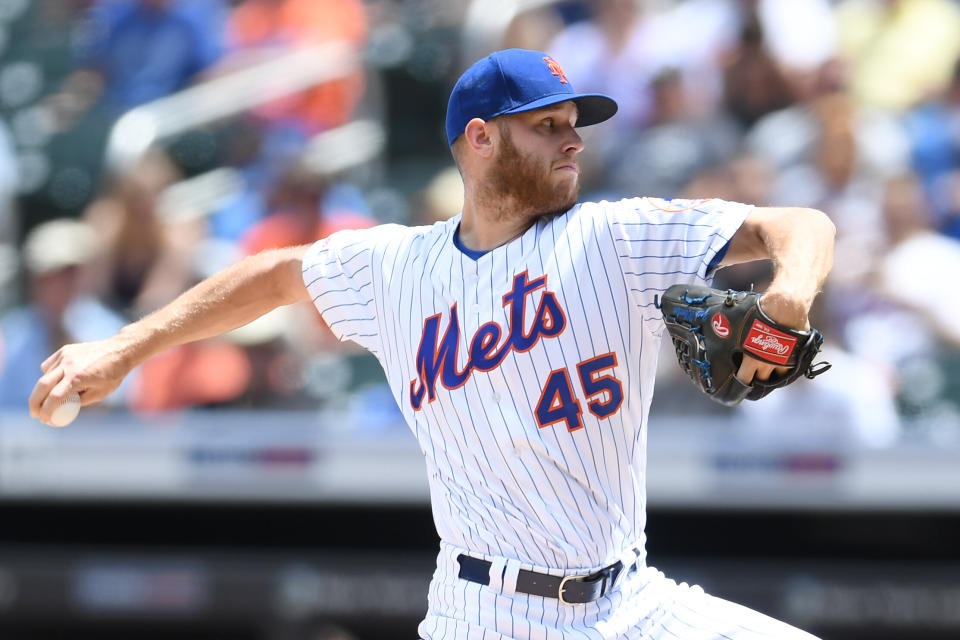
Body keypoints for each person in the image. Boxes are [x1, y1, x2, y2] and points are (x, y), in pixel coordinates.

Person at [30, 49, 835, 639]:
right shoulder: (396, 268)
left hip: (632, 600)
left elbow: (800, 225)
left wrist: (788, 293)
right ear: (480, 140)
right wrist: (126, 347)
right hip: (486, 613)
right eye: (547, 125)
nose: (573, 141)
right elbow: (273, 276)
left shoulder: (614, 237)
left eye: (573, 124)